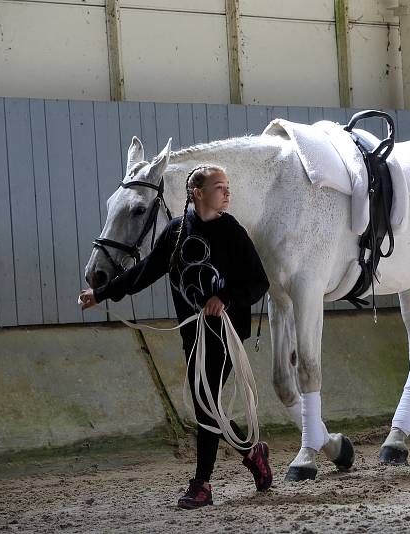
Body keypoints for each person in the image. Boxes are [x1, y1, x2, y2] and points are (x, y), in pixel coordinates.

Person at [78, 164, 272, 508]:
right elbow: (144, 271)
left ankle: (202, 485)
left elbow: (259, 283)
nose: (227, 193)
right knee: (206, 403)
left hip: (226, 333)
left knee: (205, 401)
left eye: (227, 187)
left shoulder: (233, 232)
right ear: (197, 193)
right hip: (193, 333)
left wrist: (224, 299)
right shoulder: (175, 232)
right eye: (219, 187)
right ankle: (251, 452)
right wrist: (102, 293)